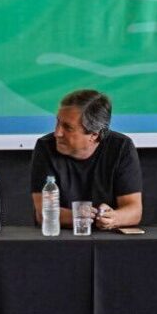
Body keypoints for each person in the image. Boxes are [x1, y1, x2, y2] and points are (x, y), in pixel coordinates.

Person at [30, 89, 142, 231]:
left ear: (94, 135)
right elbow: (43, 214)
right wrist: (78, 216)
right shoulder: (45, 147)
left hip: (109, 241)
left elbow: (134, 210)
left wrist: (114, 217)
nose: (57, 133)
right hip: (59, 239)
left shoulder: (121, 147)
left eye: (67, 127)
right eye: (58, 122)